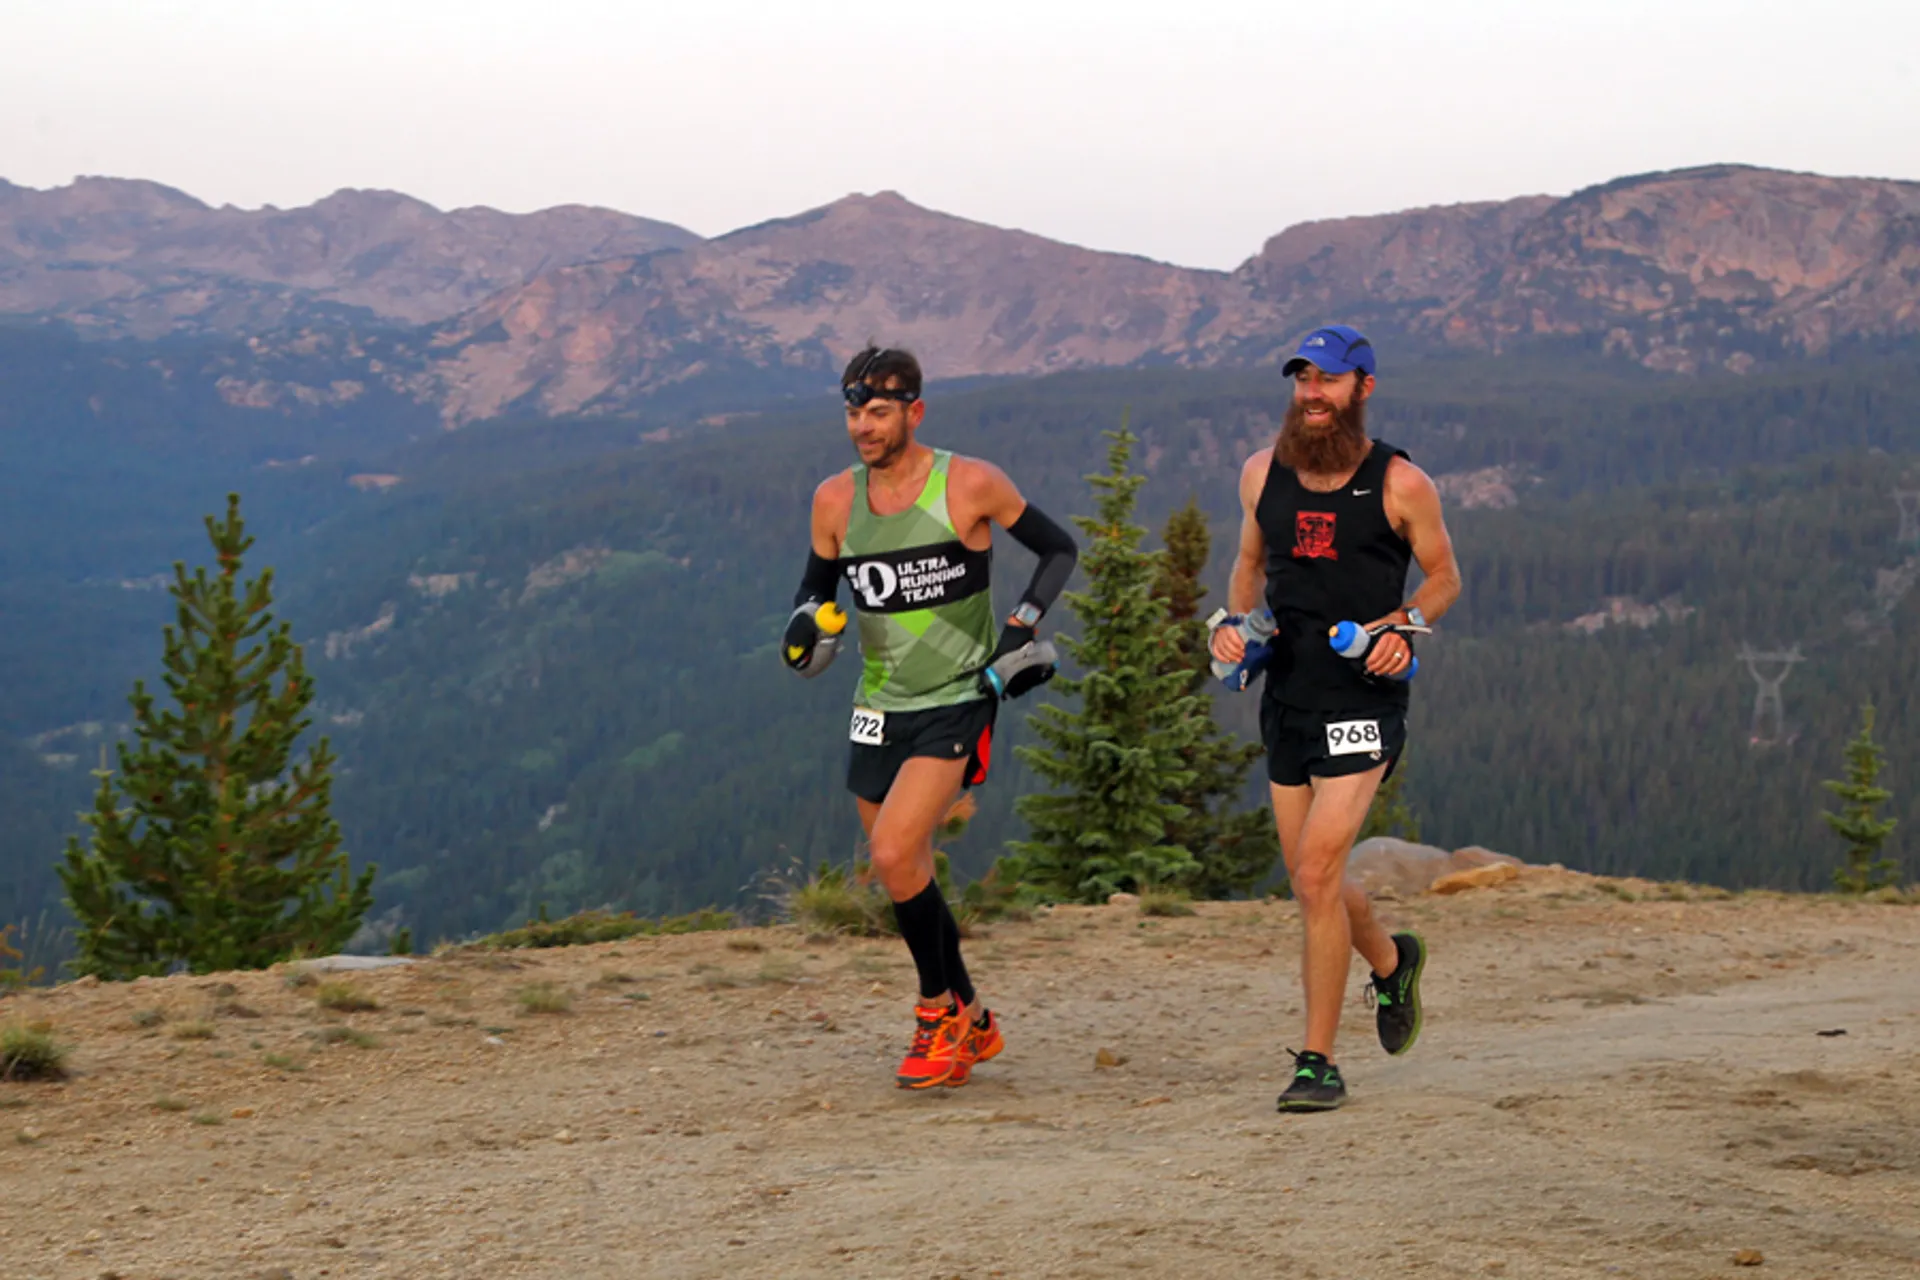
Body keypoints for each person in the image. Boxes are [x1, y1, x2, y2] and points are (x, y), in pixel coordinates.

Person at [784, 346, 1077, 1089]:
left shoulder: (969, 483)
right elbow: (813, 595)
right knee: (904, 867)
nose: (863, 427)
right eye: (853, 412)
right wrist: (805, 636)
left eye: (879, 412)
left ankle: (935, 1012)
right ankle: (976, 1020)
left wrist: (1020, 623)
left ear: (915, 410)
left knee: (891, 853)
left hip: (957, 694)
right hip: (876, 705)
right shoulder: (833, 501)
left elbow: (1056, 548)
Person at [1210, 325, 1462, 1112]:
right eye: (1302, 379)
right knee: (1312, 879)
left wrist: (1404, 627)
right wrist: (1232, 629)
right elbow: (1251, 565)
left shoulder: (1401, 483)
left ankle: (1317, 1062)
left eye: (1329, 380)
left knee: (1318, 873)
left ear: (1364, 389)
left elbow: (1445, 576)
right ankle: (1391, 964)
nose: (1312, 394)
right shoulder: (1262, 472)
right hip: (1287, 694)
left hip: (1364, 700)